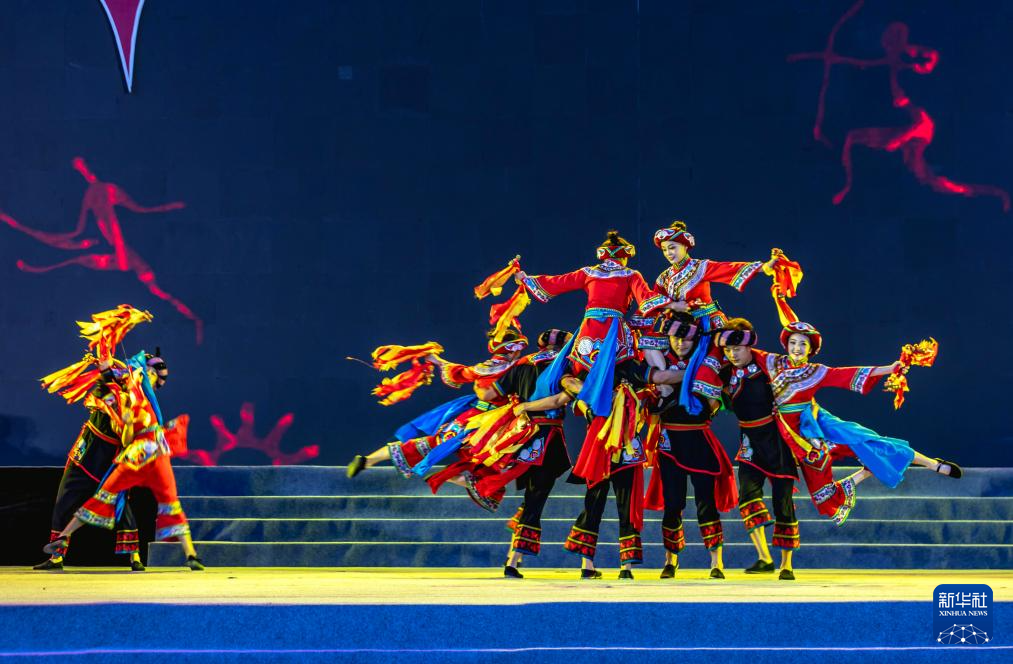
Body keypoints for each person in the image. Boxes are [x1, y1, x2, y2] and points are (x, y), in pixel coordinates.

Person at [43, 351, 203, 571]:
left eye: (151, 374)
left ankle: (174, 555)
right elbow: (113, 382)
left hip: (140, 455)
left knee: (124, 500)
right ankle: (58, 550)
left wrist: (113, 374)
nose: (145, 375)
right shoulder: (127, 390)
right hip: (118, 454)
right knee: (90, 499)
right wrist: (107, 369)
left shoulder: (140, 392)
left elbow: (122, 379)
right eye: (148, 372)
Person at [347, 329, 528, 510]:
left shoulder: (484, 367)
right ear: (513, 350)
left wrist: (437, 360)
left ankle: (368, 459)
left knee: (430, 443)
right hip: (490, 423)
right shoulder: (518, 368)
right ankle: (450, 476)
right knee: (489, 466)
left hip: (469, 417)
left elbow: (460, 372)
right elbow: (491, 393)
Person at [32, 357, 158, 571]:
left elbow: (127, 437)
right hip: (85, 455)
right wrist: (107, 363)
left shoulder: (139, 406)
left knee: (120, 506)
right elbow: (107, 380)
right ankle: (56, 557)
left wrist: (128, 420)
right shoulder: (110, 389)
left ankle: (134, 556)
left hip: (108, 461)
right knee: (64, 502)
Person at [642, 314, 738, 580]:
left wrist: (710, 396)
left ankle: (716, 562)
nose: (681, 343)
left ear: (696, 339)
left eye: (686, 338)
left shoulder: (708, 362)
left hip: (698, 439)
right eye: (676, 337)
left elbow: (720, 399)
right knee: (673, 503)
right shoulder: (659, 363)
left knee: (706, 502)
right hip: (670, 442)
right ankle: (670, 561)